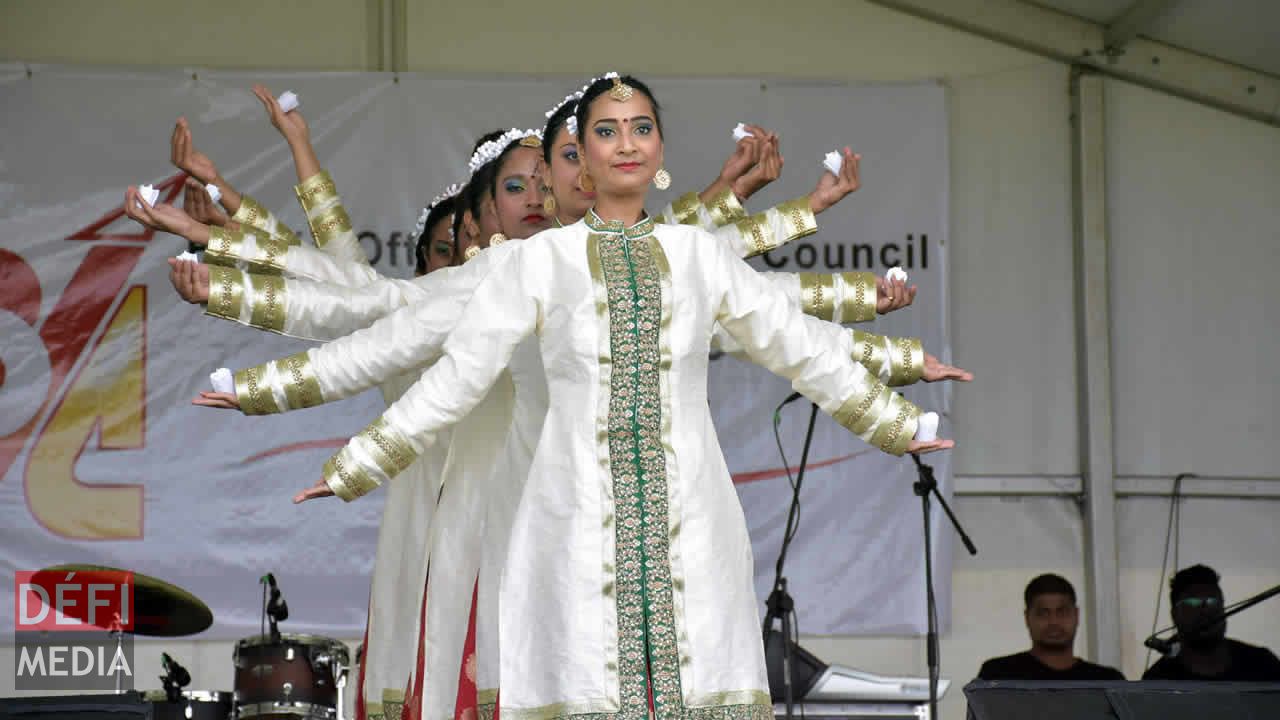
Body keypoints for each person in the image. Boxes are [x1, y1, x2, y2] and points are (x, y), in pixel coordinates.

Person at [285, 74, 954, 720]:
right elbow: (454, 374)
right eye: (606, 132)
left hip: (693, 525)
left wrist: (897, 421)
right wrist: (353, 466)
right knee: (579, 682)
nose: (626, 144)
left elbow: (793, 340)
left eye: (641, 128)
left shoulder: (696, 255)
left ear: (660, 148)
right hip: (570, 528)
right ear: (579, 159)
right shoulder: (535, 263)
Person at [1143, 564, 1280, 682]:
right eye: (1193, 603)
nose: (1205, 610)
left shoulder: (1263, 663)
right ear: (1174, 614)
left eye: (1212, 602)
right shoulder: (1157, 679)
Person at [977, 574, 1125, 681]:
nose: (1053, 621)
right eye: (1043, 613)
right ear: (1027, 617)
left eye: (1062, 612)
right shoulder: (998, 676)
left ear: (1077, 615)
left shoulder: (1107, 681)